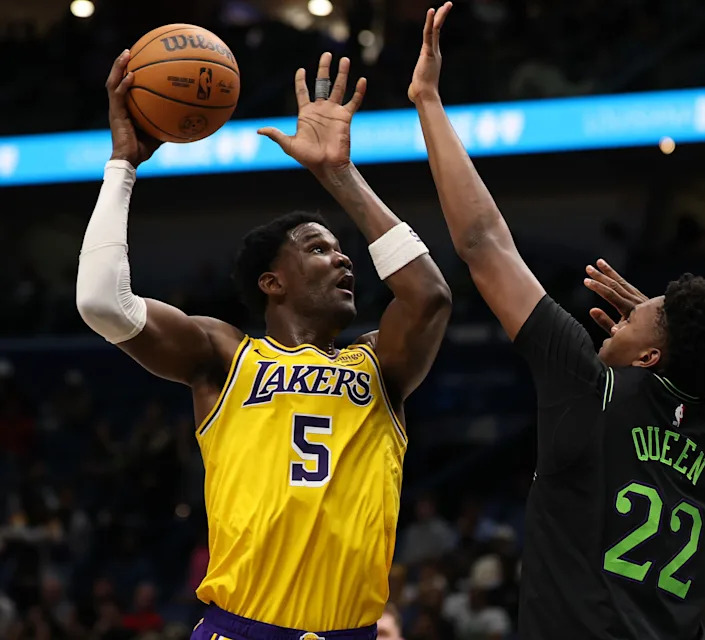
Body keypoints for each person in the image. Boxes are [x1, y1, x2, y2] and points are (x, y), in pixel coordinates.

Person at [406, 5, 705, 639]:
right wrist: (697, 363)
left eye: (640, 312)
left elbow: (484, 243)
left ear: (652, 357)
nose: (617, 318)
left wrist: (427, 100)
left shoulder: (592, 386)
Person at [76, 44, 451, 640]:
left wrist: (339, 175)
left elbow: (429, 295)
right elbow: (102, 303)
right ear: (272, 282)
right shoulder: (225, 355)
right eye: (318, 248)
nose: (342, 256)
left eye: (339, 246)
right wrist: (123, 165)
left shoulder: (381, 363)